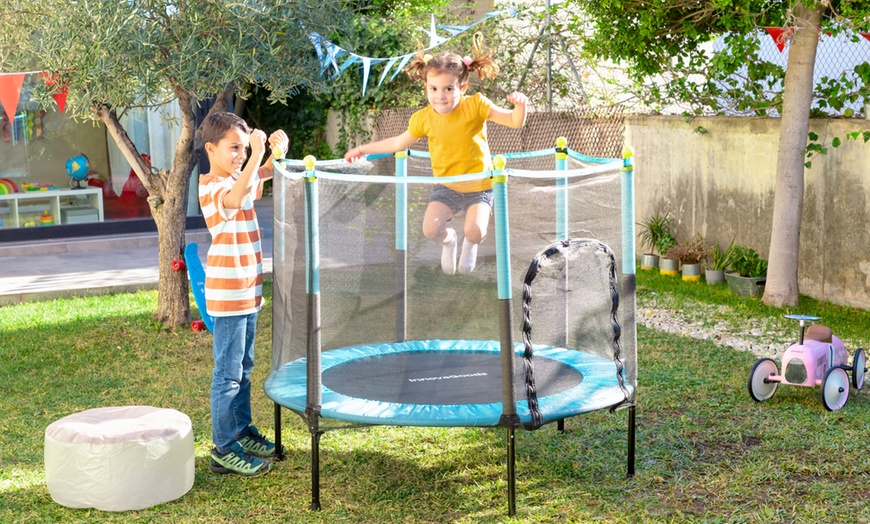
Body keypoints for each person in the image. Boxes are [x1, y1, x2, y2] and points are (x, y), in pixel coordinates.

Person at [344, 34, 527, 275]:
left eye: (448, 88)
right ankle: (450, 240)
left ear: (462, 87)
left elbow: (514, 122)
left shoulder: (476, 105)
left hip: (479, 185)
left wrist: (521, 106)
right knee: (431, 230)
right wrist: (363, 149)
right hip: (447, 186)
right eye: (434, 88)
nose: (440, 95)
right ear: (426, 87)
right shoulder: (423, 118)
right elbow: (399, 142)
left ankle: (469, 243)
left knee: (476, 231)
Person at [197, 112, 288, 477]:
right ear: (211, 149)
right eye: (233, 147)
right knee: (228, 375)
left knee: (244, 369)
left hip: (247, 291)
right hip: (230, 292)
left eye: (241, 147)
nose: (238, 154)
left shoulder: (237, 176)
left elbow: (258, 181)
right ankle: (223, 448)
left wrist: (272, 156)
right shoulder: (211, 186)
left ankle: (242, 431)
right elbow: (236, 198)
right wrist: (253, 156)